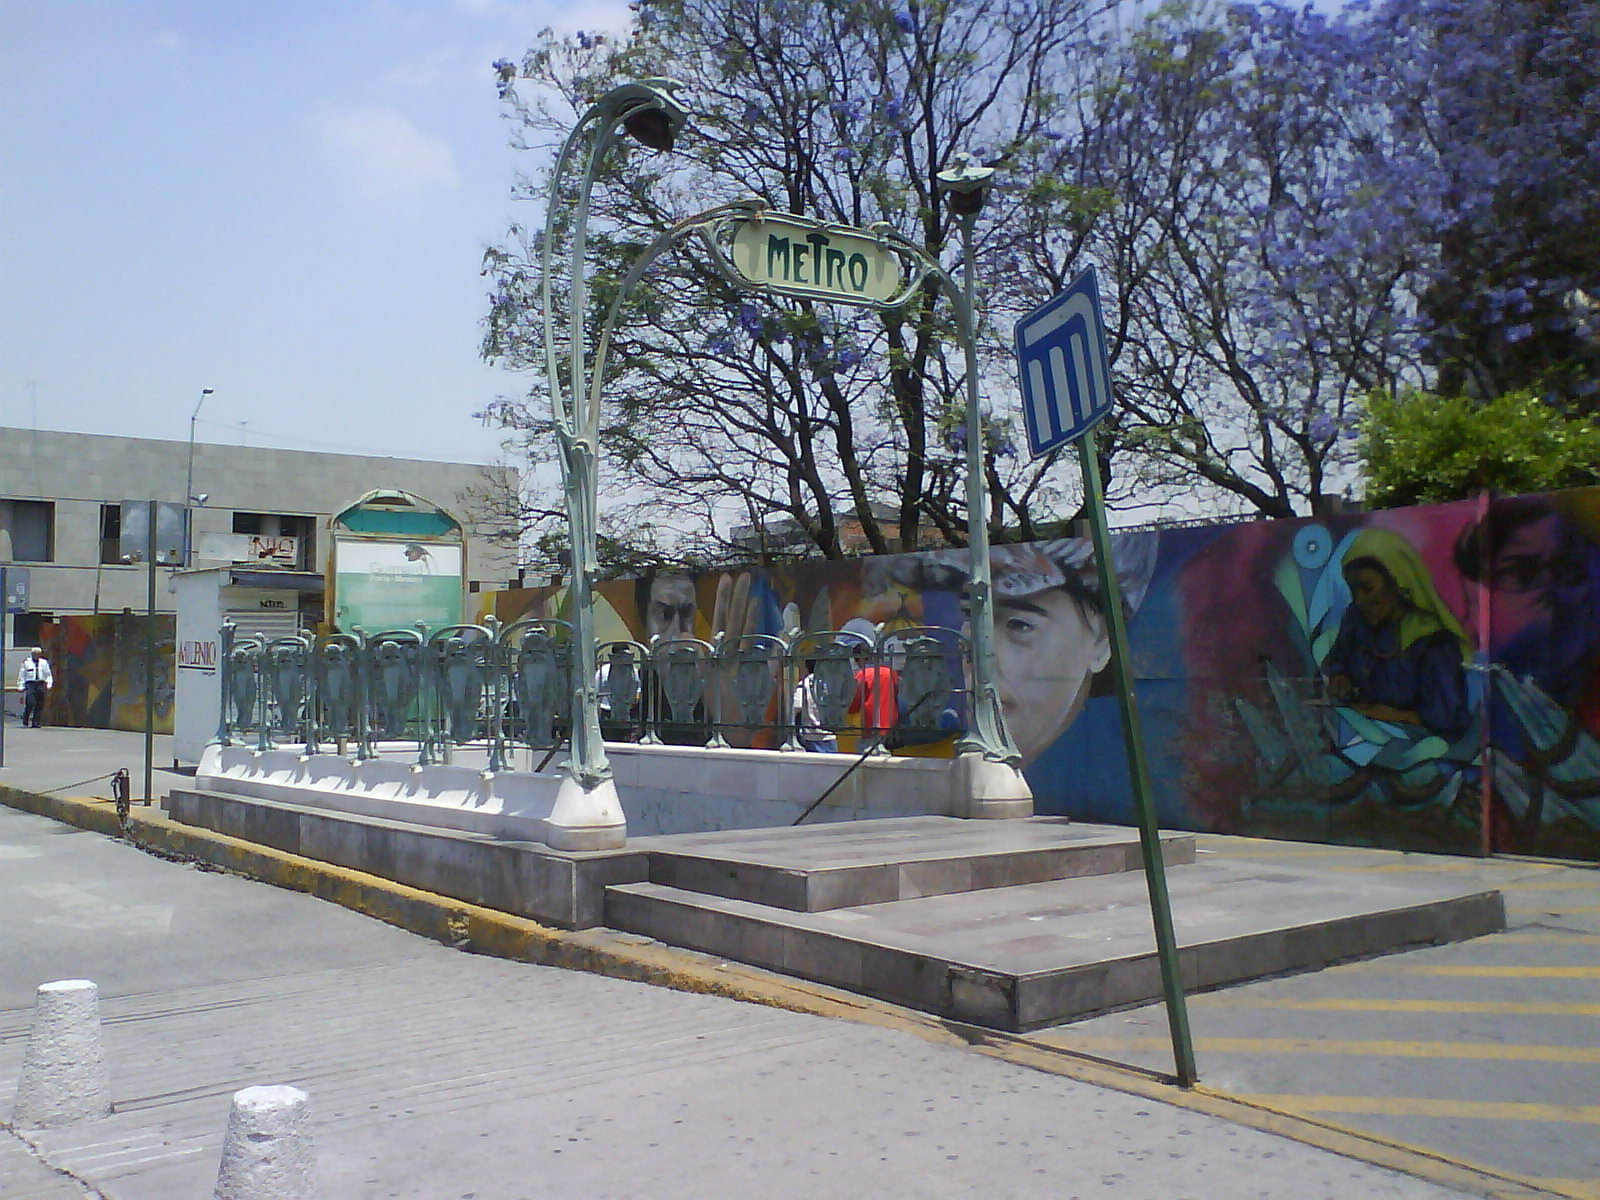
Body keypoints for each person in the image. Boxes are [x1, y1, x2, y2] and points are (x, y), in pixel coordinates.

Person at [1322, 527, 1473, 740]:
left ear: (1398, 583)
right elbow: (1339, 657)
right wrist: (1340, 675)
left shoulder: (1433, 642)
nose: (1359, 600)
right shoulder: (1356, 619)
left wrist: (1392, 715)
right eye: (1353, 590)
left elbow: (1448, 717)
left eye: (1367, 588)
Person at [848, 642, 899, 750]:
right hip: (891, 722)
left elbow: (854, 701)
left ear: (860, 658)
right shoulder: (890, 672)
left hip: (870, 722)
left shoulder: (862, 674)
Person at [792, 660, 838, 753]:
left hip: (810, 734)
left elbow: (796, 706)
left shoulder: (804, 684)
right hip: (829, 733)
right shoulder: (830, 683)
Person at [18, 647, 52, 728]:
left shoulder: (44, 663)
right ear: (32, 654)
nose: (36, 655)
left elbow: (48, 674)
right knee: (30, 702)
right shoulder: (26, 663)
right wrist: (20, 686)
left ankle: (36, 722)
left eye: (38, 653)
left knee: (40, 704)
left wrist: (49, 684)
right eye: (35, 653)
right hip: (30, 684)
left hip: (40, 683)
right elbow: (22, 674)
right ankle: (26, 718)